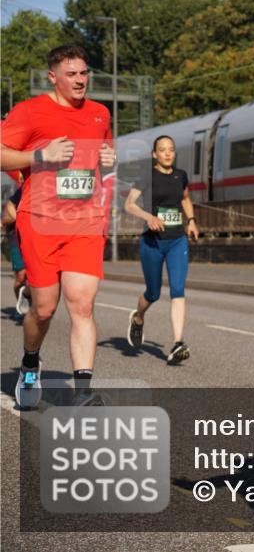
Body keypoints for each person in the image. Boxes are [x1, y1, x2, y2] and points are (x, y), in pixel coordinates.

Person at [0, 45, 117, 409]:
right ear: (53, 77)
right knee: (45, 309)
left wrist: (109, 158)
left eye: (84, 73)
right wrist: (40, 155)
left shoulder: (100, 113)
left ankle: (82, 392)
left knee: (81, 304)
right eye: (72, 74)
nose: (81, 80)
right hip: (40, 222)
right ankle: (30, 363)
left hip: (84, 222)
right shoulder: (30, 111)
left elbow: (104, 159)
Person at [123, 135, 199, 364]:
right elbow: (129, 205)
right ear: (154, 154)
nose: (167, 153)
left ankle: (177, 343)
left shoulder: (180, 175)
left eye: (171, 150)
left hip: (177, 240)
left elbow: (185, 198)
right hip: (152, 242)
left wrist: (192, 220)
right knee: (153, 293)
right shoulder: (147, 176)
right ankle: (137, 318)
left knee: (178, 290)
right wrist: (149, 217)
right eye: (162, 150)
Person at [2, 181, 31, 318]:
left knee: (33, 277)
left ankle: (28, 298)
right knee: (20, 277)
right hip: (17, 237)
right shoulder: (22, 190)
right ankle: (20, 303)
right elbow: (8, 211)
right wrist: (19, 217)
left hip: (37, 239)